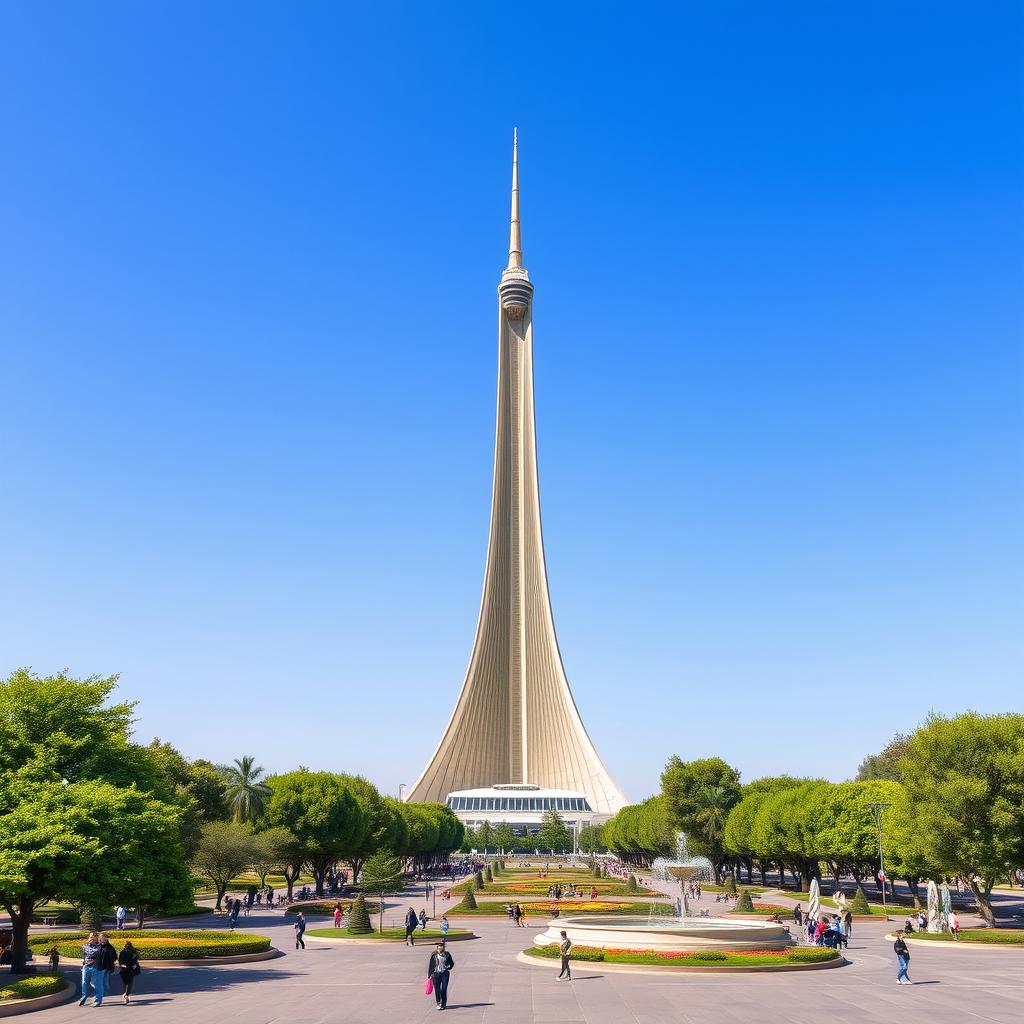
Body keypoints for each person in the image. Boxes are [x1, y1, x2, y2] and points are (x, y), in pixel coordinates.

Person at [426, 941, 454, 1011]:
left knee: (443, 989)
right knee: (437, 989)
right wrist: (429, 975)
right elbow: (431, 965)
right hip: (435, 974)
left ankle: (443, 1004)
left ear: (443, 948)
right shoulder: (434, 955)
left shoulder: (447, 954)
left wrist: (448, 968)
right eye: (438, 947)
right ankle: (439, 1003)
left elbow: (452, 963)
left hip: (444, 973)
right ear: (437, 948)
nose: (439, 948)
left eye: (441, 947)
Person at [79, 932, 104, 1006]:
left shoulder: (101, 946)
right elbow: (83, 955)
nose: (91, 937)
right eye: (90, 936)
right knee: (84, 982)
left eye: (93, 936)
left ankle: (98, 1000)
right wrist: (84, 962)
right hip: (86, 966)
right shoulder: (85, 946)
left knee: (97, 983)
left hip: (97, 966)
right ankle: (84, 997)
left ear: (97, 938)